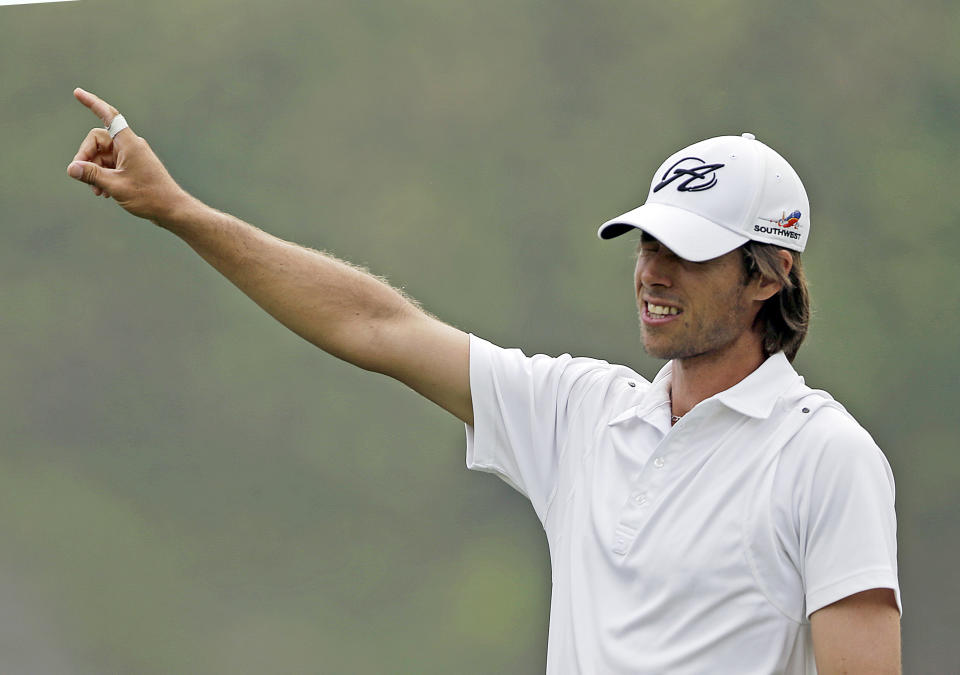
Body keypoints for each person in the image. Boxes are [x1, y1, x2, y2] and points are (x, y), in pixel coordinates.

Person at [66, 88, 901, 674]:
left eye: (687, 253)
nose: (652, 273)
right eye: (647, 245)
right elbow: (378, 327)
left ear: (767, 275)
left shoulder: (824, 456)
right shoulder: (584, 414)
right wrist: (179, 210)